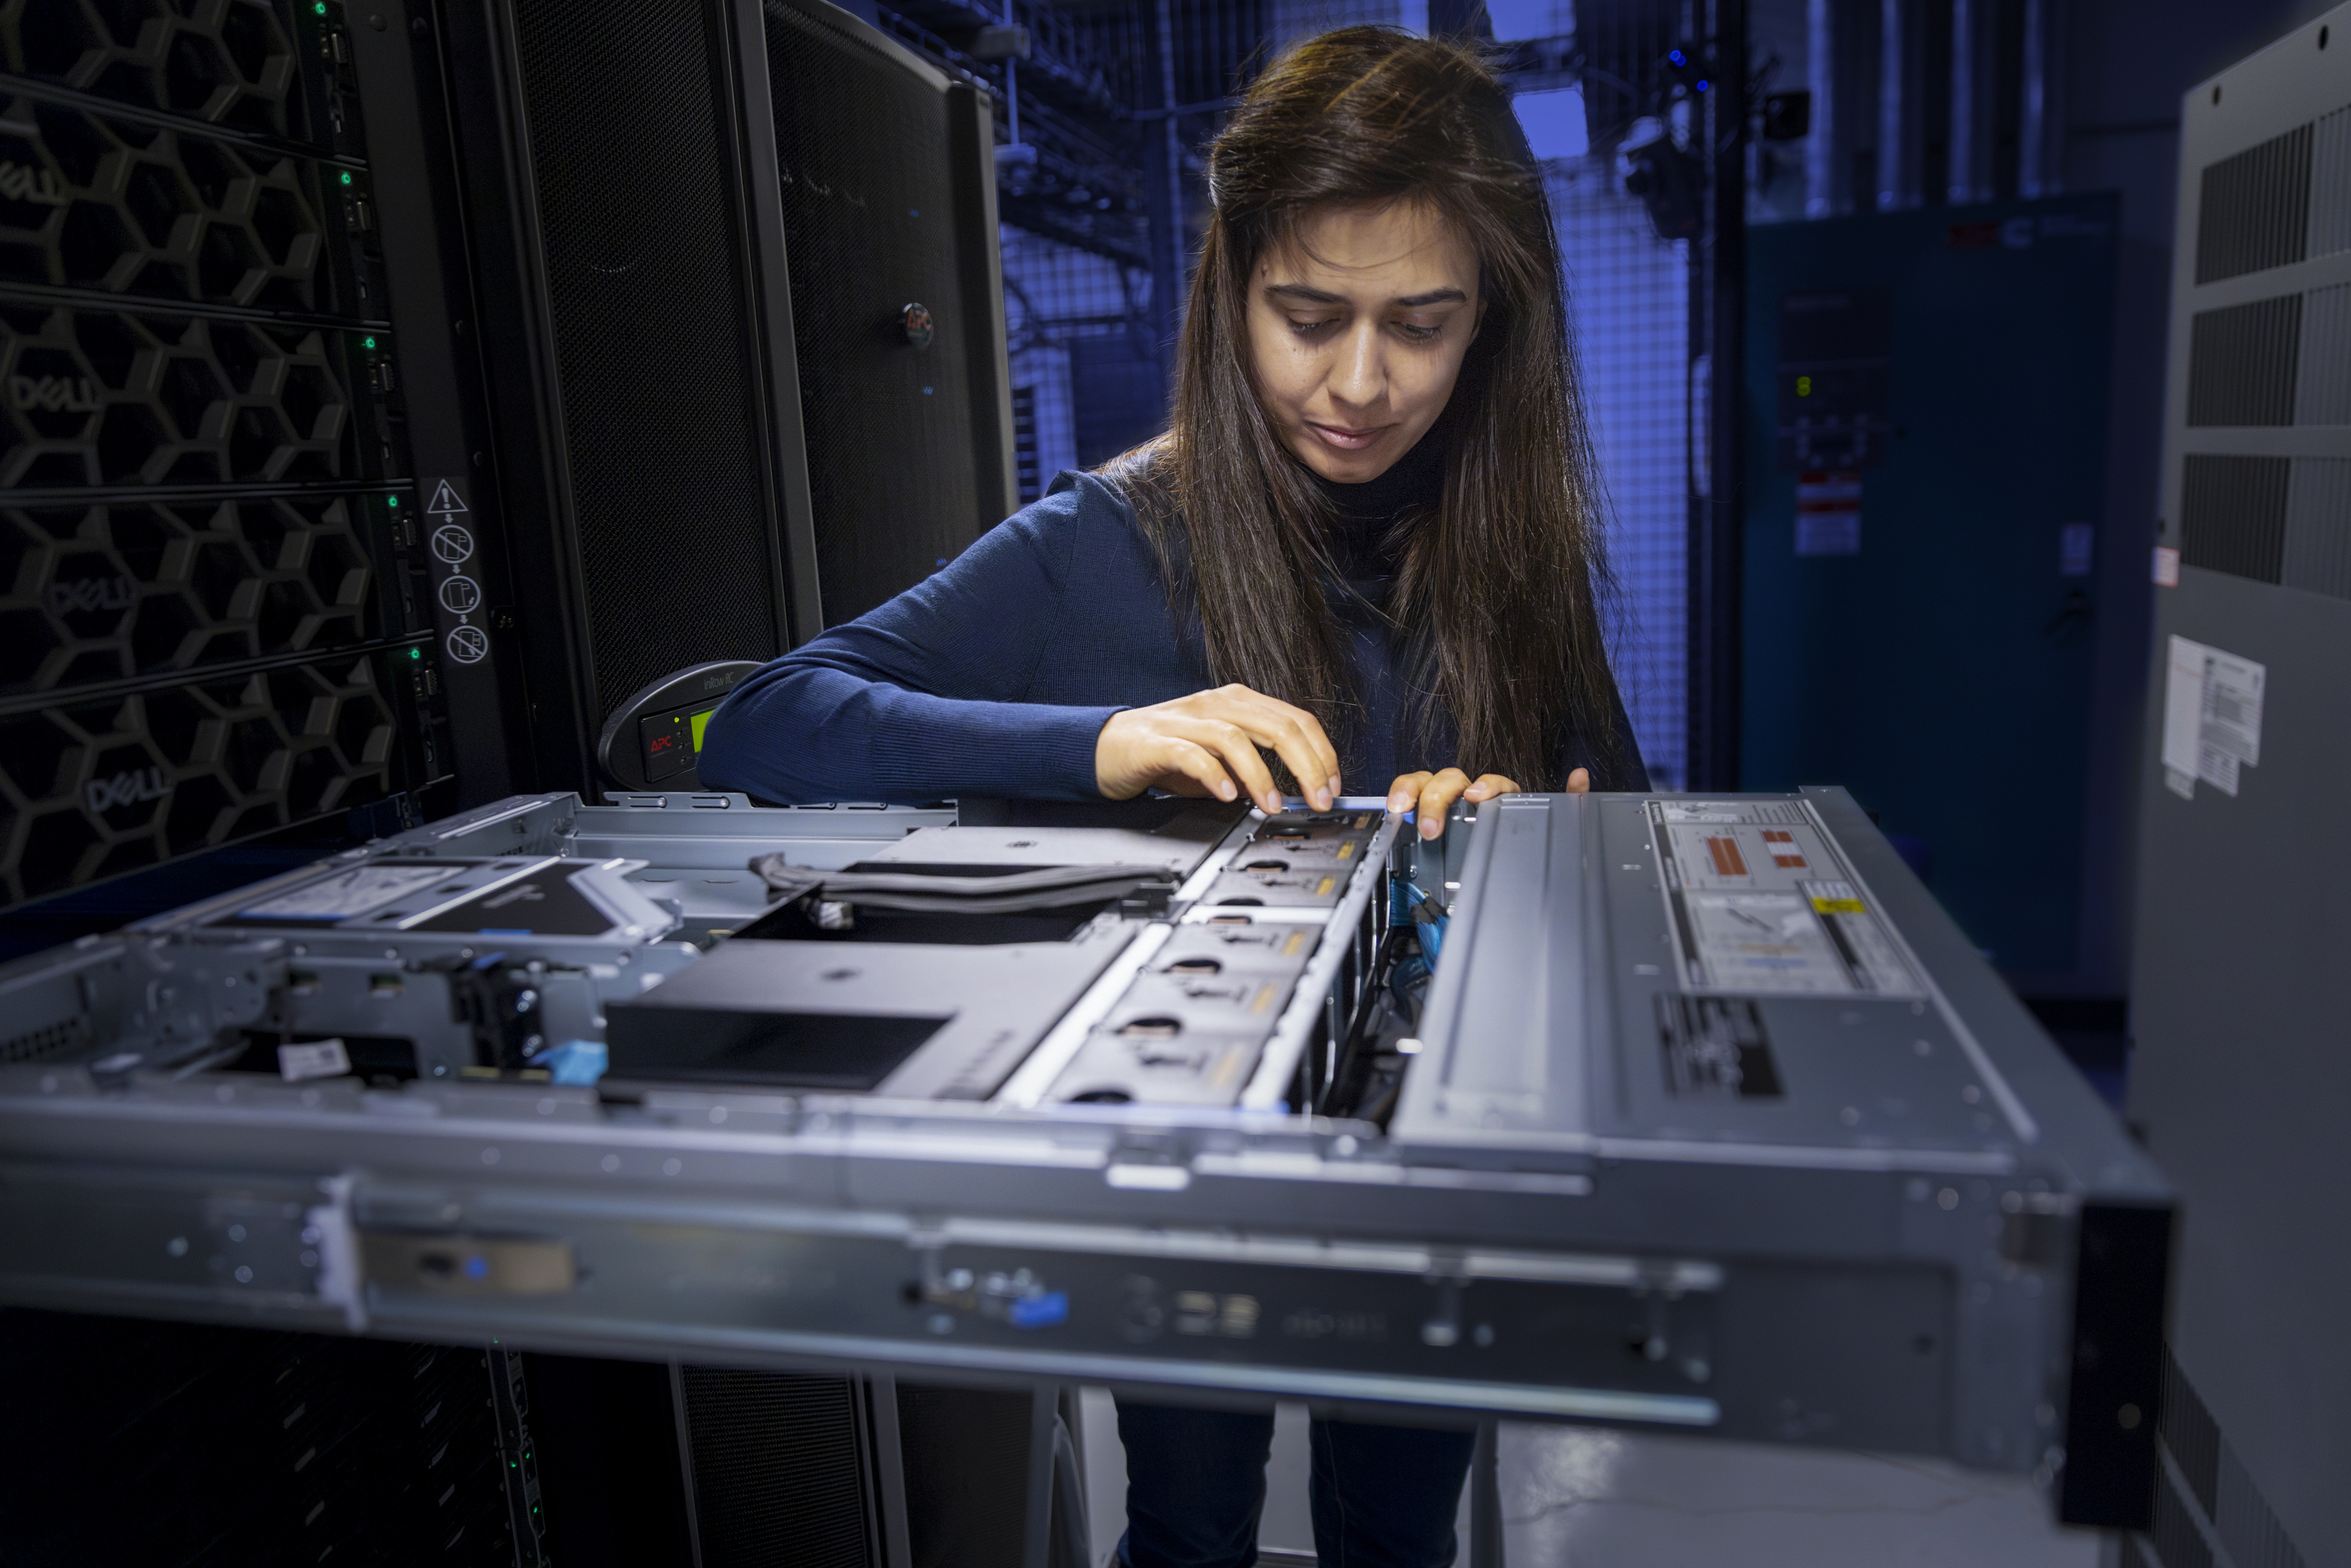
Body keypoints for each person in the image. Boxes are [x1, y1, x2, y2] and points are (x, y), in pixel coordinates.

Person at [700, 24, 1646, 1568]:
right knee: (1194, 1521)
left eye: (1421, 323)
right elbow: (761, 723)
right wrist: (1097, 742)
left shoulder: (1514, 559)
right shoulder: (1112, 537)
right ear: (1229, 296)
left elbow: (1627, 836)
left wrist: (1520, 828)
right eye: (1307, 315)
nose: (1359, 382)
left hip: (1436, 1161)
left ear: (1494, 326)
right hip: (1184, 1170)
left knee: (1399, 1525)